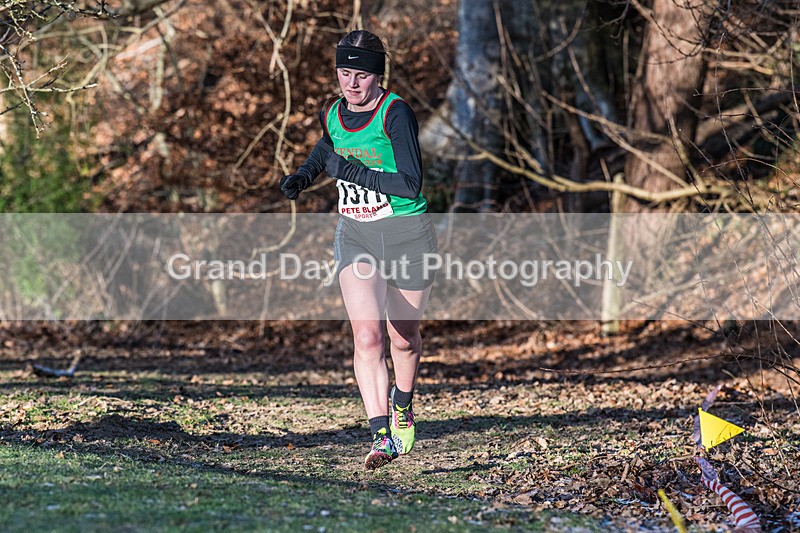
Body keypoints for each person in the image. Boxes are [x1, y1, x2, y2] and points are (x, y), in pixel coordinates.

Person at [279, 29, 437, 470]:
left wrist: (347, 171)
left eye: (361, 75)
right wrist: (305, 175)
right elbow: (328, 145)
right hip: (357, 235)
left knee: (403, 338)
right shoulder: (333, 111)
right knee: (368, 336)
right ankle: (381, 436)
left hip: (407, 234)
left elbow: (410, 183)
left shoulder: (395, 114)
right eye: (344, 73)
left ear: (377, 75)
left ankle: (403, 402)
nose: (351, 83)